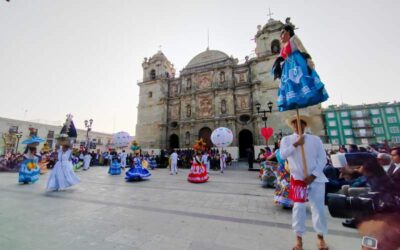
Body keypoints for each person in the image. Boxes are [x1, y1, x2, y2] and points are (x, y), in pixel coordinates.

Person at [280, 115, 329, 250]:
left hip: (316, 179)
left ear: (304, 125)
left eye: (300, 123)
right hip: (298, 179)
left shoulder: (315, 139)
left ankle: (320, 238)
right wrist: (296, 144)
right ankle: (299, 239)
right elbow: (283, 155)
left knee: (318, 208)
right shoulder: (286, 140)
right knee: (299, 208)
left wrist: (313, 175)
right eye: (294, 124)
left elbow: (322, 159)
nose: (297, 126)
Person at [273, 23, 328, 112]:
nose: (281, 36)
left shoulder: (294, 39)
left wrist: (308, 59)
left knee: (301, 79)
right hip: (288, 67)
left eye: (282, 33)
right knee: (290, 84)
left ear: (288, 32)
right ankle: (294, 100)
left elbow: (302, 48)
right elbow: (280, 58)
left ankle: (306, 95)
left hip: (297, 63)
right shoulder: (283, 47)